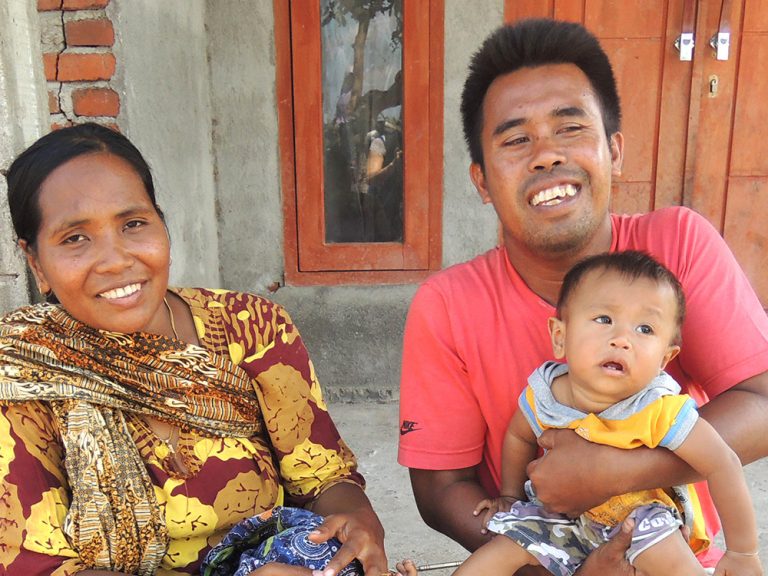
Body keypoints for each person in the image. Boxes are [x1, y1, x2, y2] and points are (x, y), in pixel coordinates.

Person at [397, 17, 768, 574]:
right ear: (481, 180)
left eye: (570, 128)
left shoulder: (677, 244)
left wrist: (617, 471)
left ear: (614, 151)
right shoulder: (446, 305)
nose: (546, 155)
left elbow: (762, 401)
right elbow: (441, 489)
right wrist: (558, 563)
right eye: (516, 139)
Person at [0, 123, 390, 576]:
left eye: (133, 224)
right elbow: (37, 566)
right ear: (36, 264)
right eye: (75, 238)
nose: (116, 259)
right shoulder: (21, 374)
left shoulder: (252, 326)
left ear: (162, 224)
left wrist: (358, 522)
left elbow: (323, 478)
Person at [462, 251, 761, 576]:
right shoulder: (546, 394)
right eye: (604, 320)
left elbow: (722, 463)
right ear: (560, 337)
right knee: (502, 548)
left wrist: (742, 551)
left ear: (664, 360)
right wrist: (510, 495)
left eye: (645, 328)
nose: (622, 340)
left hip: (639, 522)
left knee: (663, 547)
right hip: (563, 518)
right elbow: (518, 435)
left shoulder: (658, 409)